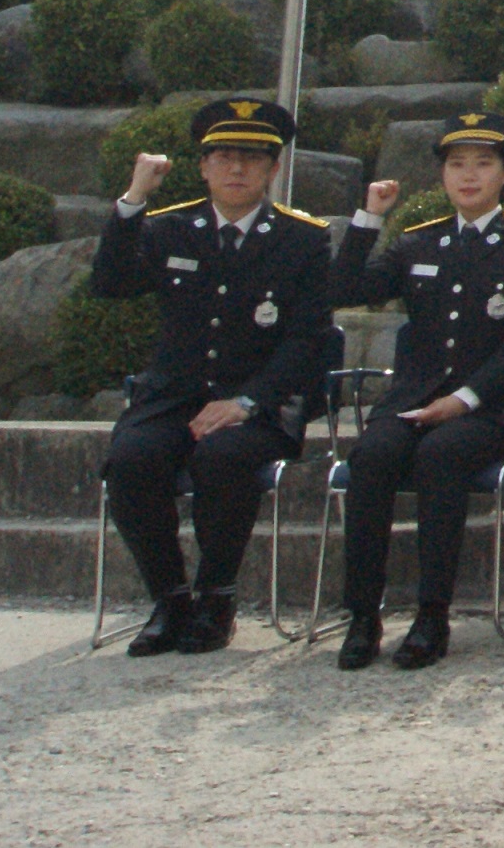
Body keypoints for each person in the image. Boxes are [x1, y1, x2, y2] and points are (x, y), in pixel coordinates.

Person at [91, 97, 338, 654]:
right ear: (202, 166)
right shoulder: (171, 229)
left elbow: (309, 339)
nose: (236, 169)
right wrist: (133, 199)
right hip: (174, 396)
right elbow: (109, 283)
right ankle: (170, 599)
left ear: (274, 168)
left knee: (222, 458)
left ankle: (216, 598)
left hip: (257, 404)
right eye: (224, 156)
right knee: (131, 460)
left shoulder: (302, 239)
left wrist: (248, 402)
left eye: (252, 158)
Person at [329, 112, 504, 670]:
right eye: (457, 165)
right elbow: (344, 290)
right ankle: (363, 615)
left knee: (441, 455)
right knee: (372, 456)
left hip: (489, 410)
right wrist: (367, 221)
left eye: (483, 164)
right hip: (413, 399)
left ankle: (433, 615)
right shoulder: (417, 243)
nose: (469, 176)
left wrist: (464, 401)